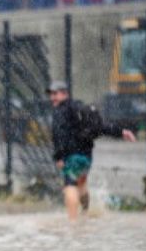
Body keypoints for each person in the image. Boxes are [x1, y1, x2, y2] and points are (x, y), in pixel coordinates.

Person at [47, 81, 136, 220]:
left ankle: (73, 223)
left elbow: (58, 134)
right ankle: (85, 214)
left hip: (71, 155)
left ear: (65, 93)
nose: (52, 98)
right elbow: (100, 126)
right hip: (86, 156)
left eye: (55, 94)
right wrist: (121, 132)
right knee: (81, 184)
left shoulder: (60, 111)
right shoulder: (80, 107)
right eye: (51, 94)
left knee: (70, 186)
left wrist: (58, 157)